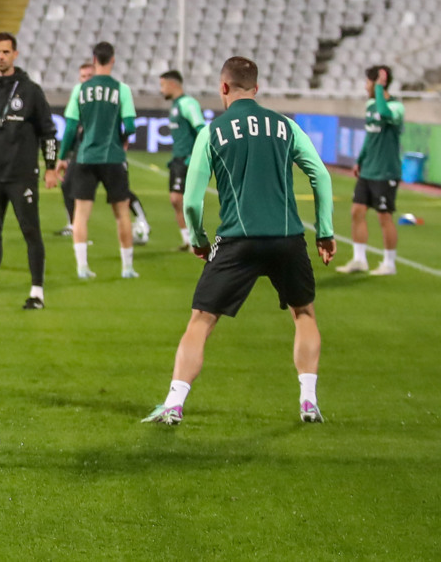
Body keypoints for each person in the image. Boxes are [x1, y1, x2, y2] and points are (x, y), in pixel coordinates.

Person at [142, 56, 336, 425]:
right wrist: (324, 232)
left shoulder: (212, 131)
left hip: (237, 239)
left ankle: (174, 403)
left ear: (224, 87)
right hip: (287, 237)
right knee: (304, 313)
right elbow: (321, 177)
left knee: (201, 321)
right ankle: (308, 401)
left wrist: (198, 240)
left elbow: (192, 201)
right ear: (257, 88)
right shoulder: (285, 127)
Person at [0, 32, 57, 310]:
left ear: (15, 54)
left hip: (22, 176)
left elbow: (49, 133)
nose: (1, 56)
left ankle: (37, 292)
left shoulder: (31, 91)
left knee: (31, 231)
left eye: (6, 52)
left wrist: (50, 167)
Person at [57, 41, 138, 280]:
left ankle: (82, 267)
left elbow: (70, 127)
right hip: (112, 156)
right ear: (113, 60)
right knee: (121, 212)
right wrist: (121, 139)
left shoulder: (79, 90)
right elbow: (131, 125)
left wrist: (63, 158)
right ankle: (127, 268)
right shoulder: (122, 89)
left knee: (81, 214)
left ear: (94, 60)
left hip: (85, 156)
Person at [338, 64, 405, 276]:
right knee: (357, 212)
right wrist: (360, 160)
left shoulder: (395, 107)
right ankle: (359, 260)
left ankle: (389, 263)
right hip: (368, 170)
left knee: (384, 217)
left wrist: (379, 89)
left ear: (378, 83)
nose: (365, 85)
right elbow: (370, 135)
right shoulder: (370, 105)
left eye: (369, 81)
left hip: (386, 171)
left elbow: (384, 113)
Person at [159, 70, 208, 250]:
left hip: (188, 160)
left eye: (162, 85)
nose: (161, 90)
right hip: (178, 159)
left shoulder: (188, 103)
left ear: (173, 84)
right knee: (176, 201)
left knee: (182, 200)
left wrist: (194, 157)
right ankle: (188, 240)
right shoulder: (175, 105)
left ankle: (197, 238)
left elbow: (201, 128)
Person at [56, 60, 94, 236]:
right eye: (83, 76)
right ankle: (73, 224)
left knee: (119, 194)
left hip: (94, 151)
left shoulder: (82, 93)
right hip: (85, 150)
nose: (86, 80)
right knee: (69, 184)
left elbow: (71, 127)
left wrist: (62, 156)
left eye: (90, 76)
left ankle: (76, 226)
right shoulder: (80, 92)